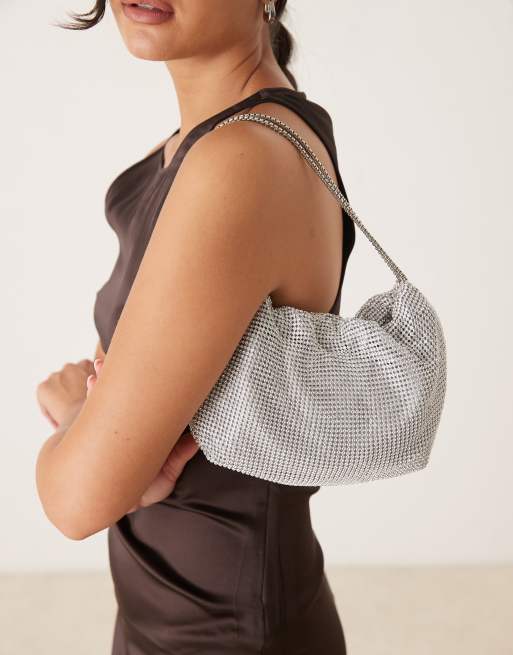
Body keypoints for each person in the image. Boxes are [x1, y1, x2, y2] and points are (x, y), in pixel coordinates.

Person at [35, 1, 355, 652]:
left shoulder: (240, 159)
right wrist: (106, 445)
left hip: (227, 634)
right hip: (172, 617)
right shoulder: (207, 142)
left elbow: (76, 501)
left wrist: (75, 417)